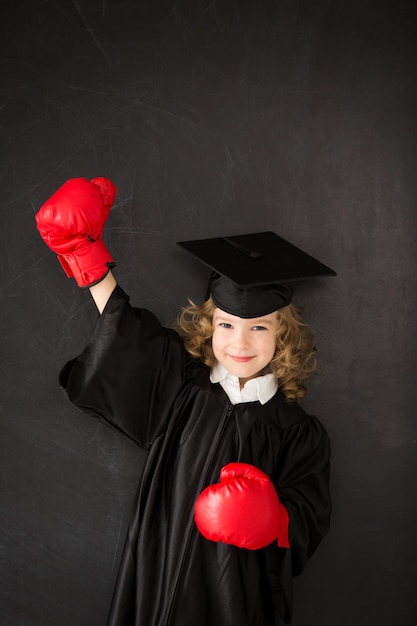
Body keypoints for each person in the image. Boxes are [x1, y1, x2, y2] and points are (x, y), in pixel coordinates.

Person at [35, 177, 335, 626]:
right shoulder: (181, 386)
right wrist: (87, 254)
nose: (241, 342)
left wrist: (274, 518)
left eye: (260, 327)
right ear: (209, 325)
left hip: (237, 601)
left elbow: (309, 517)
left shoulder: (298, 432)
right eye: (227, 325)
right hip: (156, 582)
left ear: (283, 334)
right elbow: (127, 333)